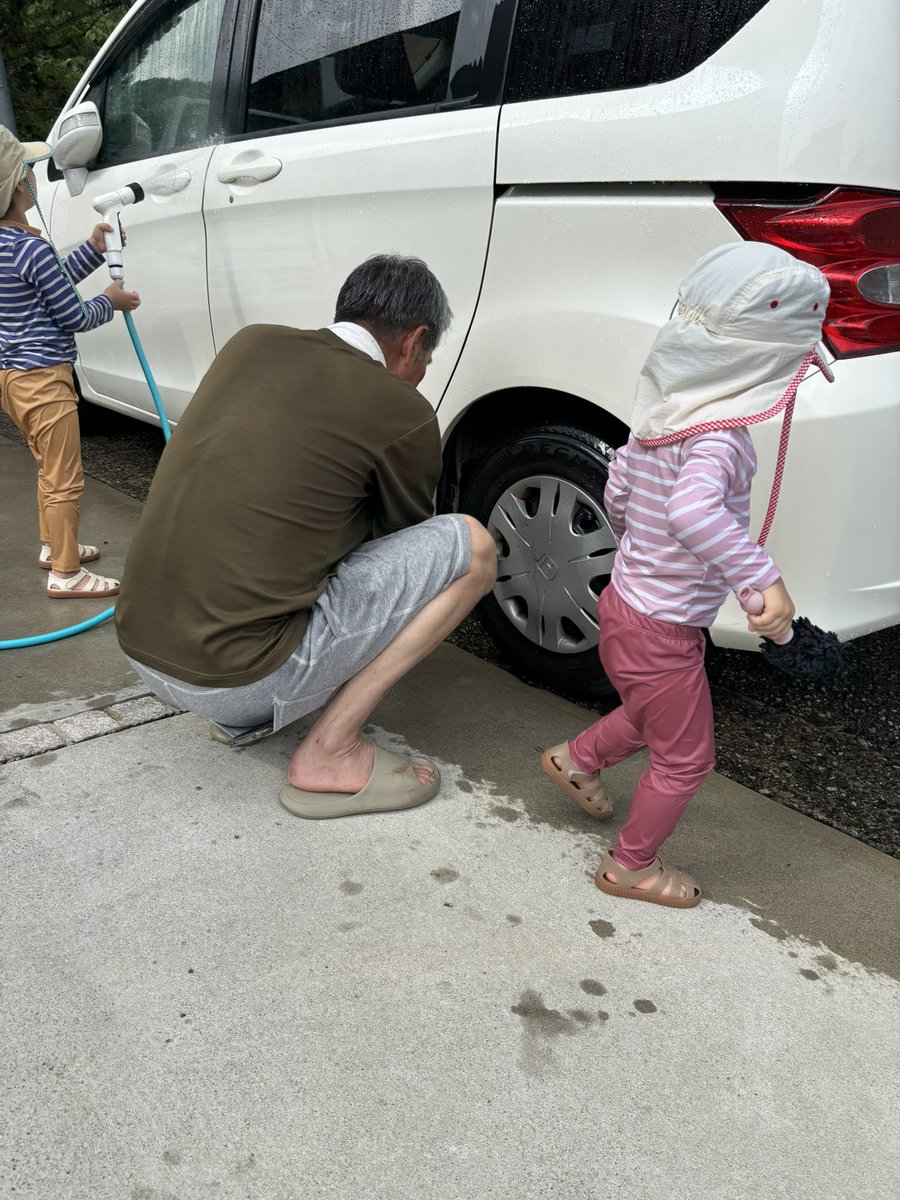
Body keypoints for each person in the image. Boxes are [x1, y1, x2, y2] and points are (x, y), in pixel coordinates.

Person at [116, 254, 497, 819]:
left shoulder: (252, 343)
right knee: (473, 549)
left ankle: (250, 715)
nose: (422, 374)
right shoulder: (402, 408)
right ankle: (330, 750)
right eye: (428, 359)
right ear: (414, 341)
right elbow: (404, 538)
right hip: (235, 678)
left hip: (143, 651)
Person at [540, 241, 831, 908]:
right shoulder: (719, 439)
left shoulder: (661, 420)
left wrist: (653, 550)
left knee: (652, 717)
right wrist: (762, 578)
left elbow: (620, 492)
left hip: (625, 606)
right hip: (662, 629)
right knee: (687, 757)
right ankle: (631, 867)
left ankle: (576, 759)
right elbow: (693, 510)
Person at [0, 125, 141, 597]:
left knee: (48, 467)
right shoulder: (32, 248)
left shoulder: (12, 248)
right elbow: (73, 314)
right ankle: (66, 573)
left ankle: (52, 545)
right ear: (19, 187)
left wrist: (95, 251)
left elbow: (49, 286)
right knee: (64, 477)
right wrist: (112, 300)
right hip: (45, 380)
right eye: (28, 173)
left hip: (12, 381)